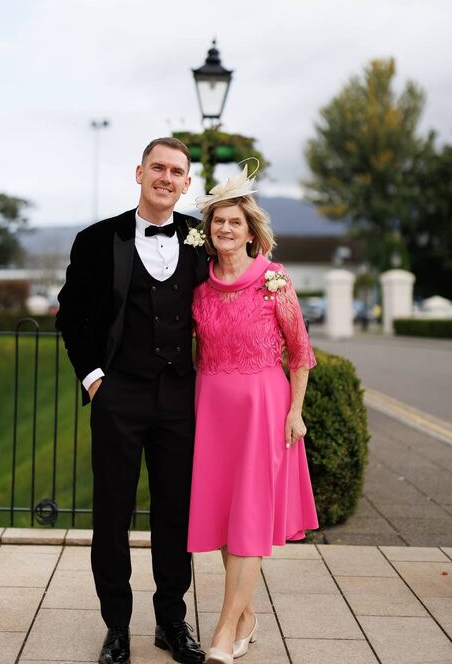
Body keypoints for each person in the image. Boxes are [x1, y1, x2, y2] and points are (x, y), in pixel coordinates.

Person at [56, 138, 208, 664]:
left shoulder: (200, 237)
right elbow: (71, 314)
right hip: (119, 394)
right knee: (112, 513)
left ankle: (171, 622)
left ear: (188, 183)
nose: (167, 178)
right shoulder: (98, 239)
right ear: (139, 172)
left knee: (175, 513)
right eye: (158, 168)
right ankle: (116, 627)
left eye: (177, 172)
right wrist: (95, 378)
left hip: (180, 400)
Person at [186, 165, 318, 664]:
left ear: (250, 229)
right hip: (213, 408)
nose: (225, 229)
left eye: (234, 222)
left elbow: (300, 351)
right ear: (209, 229)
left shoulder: (273, 280)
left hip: (264, 407)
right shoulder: (199, 288)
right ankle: (247, 618)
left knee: (250, 519)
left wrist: (296, 412)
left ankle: (224, 630)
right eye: (218, 221)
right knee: (226, 518)